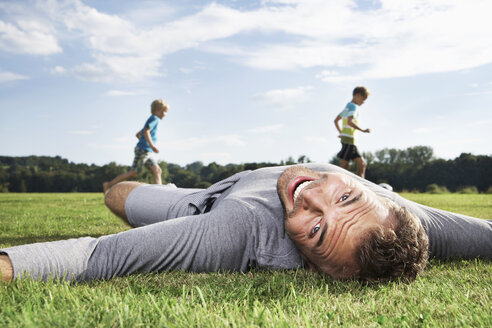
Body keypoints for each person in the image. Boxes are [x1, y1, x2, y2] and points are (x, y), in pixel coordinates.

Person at [1, 163, 491, 283]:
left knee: (117, 195)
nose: (312, 196)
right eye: (345, 195)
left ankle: (174, 197)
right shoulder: (407, 216)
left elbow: (100, 255)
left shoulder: (240, 233)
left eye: (316, 229)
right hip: (250, 173)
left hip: (212, 201)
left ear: (310, 263)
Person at [102, 99, 169, 193]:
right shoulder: (155, 119)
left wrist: (144, 142)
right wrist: (152, 145)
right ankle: (108, 184)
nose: (165, 114)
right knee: (133, 173)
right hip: (144, 150)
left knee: (157, 170)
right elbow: (146, 131)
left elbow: (138, 134)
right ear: (158, 109)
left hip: (146, 151)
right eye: (165, 111)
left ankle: (159, 192)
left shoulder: (152, 119)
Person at [334, 86, 371, 178]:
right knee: (344, 167)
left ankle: (361, 188)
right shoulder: (353, 107)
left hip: (350, 141)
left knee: (362, 164)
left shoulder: (348, 106)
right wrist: (363, 130)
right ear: (357, 95)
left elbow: (336, 120)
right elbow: (350, 122)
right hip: (348, 141)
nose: (364, 102)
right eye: (363, 99)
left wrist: (341, 133)